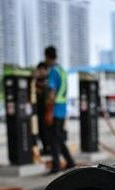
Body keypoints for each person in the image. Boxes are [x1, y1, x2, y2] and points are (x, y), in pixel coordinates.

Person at [44, 45, 75, 174]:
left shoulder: (53, 71)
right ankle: (70, 162)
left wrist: (49, 111)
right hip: (62, 110)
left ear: (47, 57)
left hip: (55, 109)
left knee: (54, 140)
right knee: (59, 138)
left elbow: (52, 92)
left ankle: (56, 166)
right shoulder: (62, 70)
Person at [33, 61, 50, 156]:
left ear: (45, 70)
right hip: (39, 110)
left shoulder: (48, 80)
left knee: (45, 130)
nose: (39, 72)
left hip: (46, 110)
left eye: (41, 70)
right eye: (38, 70)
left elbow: (45, 92)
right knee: (40, 130)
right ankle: (45, 148)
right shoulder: (37, 81)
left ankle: (48, 148)